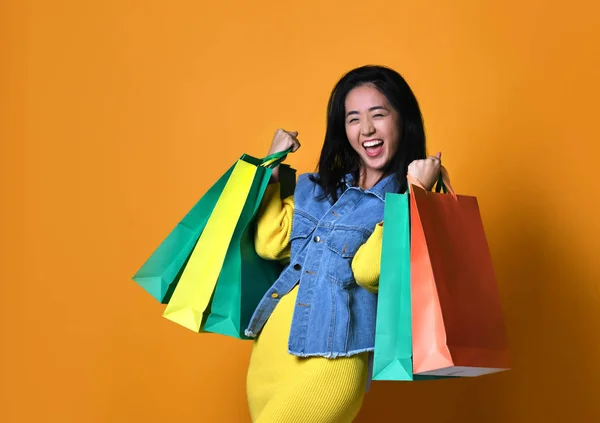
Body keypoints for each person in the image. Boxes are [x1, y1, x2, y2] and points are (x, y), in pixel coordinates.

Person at [244, 65, 442, 422]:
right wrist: (269, 164)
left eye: (378, 115)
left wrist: (416, 195)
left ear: (403, 120)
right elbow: (270, 243)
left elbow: (371, 272)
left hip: (330, 365)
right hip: (269, 360)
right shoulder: (316, 186)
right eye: (354, 118)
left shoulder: (401, 201)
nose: (366, 129)